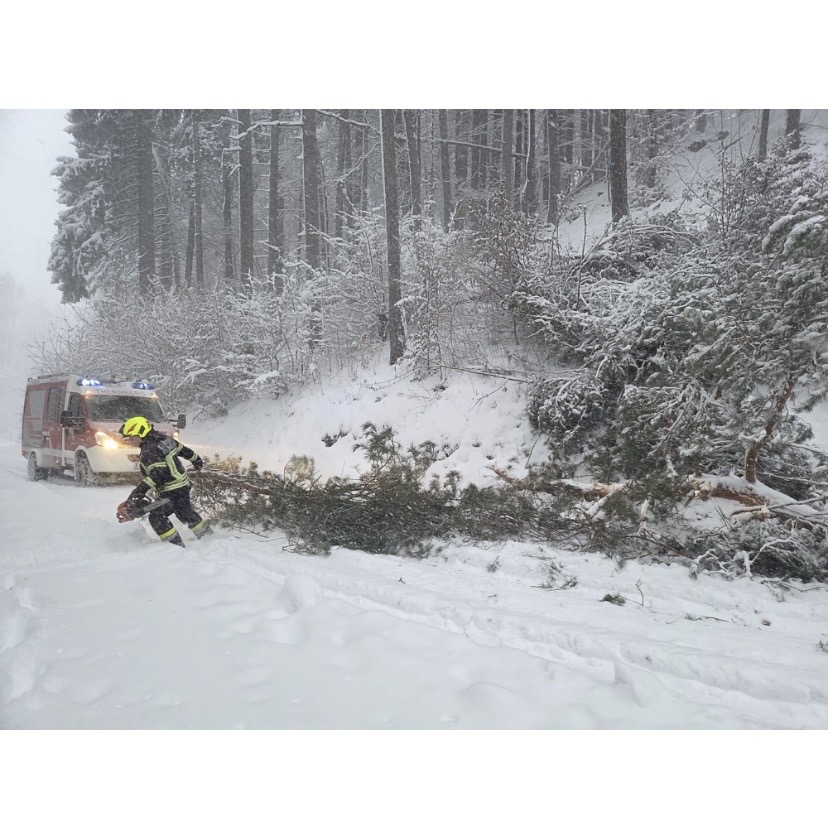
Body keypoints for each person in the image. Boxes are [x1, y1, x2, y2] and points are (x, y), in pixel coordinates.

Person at [118, 415, 211, 548]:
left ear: (141, 433)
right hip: (182, 484)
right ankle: (208, 537)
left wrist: (136, 496)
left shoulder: (150, 450)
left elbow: (157, 475)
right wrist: (197, 460)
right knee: (184, 512)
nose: (130, 441)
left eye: (131, 437)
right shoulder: (163, 439)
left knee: (157, 517)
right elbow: (182, 450)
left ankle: (175, 548)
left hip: (173, 489)